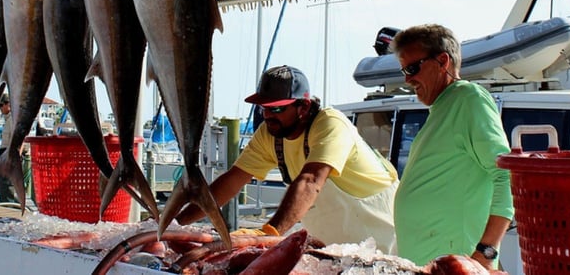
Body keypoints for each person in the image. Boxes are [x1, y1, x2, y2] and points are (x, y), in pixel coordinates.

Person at [176, 65, 398, 249]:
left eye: (277, 109)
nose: (268, 115)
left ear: (304, 107)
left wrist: (269, 233)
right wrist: (177, 225)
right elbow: (232, 181)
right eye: (264, 108)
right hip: (333, 246)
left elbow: (310, 181)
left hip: (379, 240)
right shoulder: (270, 134)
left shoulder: (330, 124)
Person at [391, 24, 513, 269]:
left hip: (460, 267)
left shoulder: (469, 99)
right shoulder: (442, 108)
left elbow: (507, 173)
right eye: (404, 70)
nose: (407, 78)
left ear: (442, 61)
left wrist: (486, 253)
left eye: (413, 68)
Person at [0, 94, 15, 203]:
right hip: (5, 152)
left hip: (8, 152)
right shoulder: (8, 119)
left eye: (1, 105)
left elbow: (17, 140)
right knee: (3, 186)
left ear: (8, 104)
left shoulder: (12, 119)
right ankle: (7, 204)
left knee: (6, 186)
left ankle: (9, 207)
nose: (0, 108)